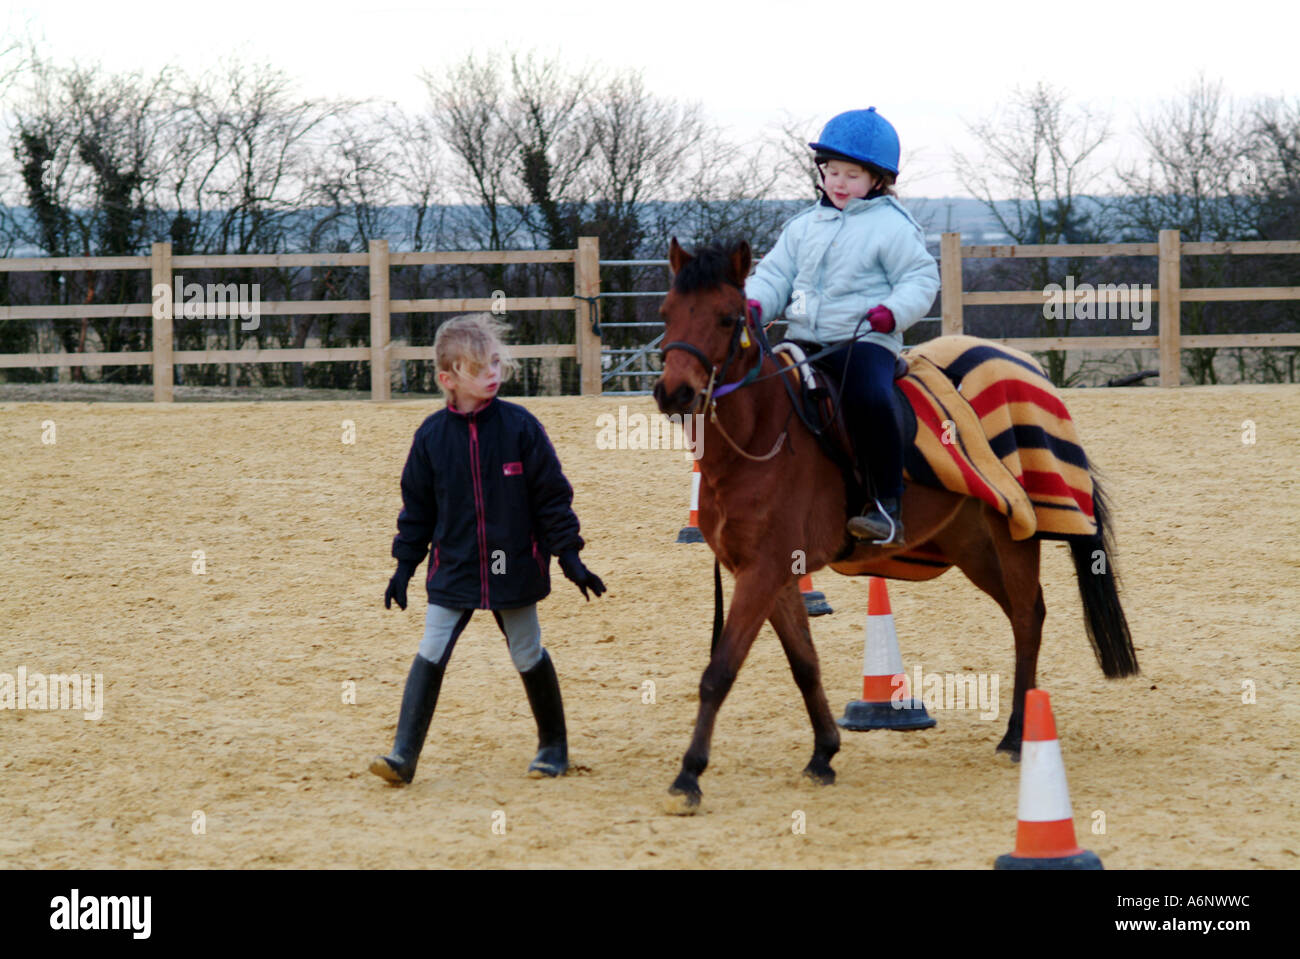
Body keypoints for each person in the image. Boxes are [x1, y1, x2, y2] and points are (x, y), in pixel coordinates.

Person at [370, 313, 605, 785]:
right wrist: (404, 567)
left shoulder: (521, 428)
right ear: (447, 379)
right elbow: (416, 509)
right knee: (431, 648)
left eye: (496, 363)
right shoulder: (431, 438)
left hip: (513, 566)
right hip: (454, 568)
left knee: (526, 649)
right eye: (478, 369)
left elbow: (552, 498)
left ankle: (553, 746)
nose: (492, 374)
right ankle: (403, 755)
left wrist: (570, 556)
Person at [744, 107, 940, 545]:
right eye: (832, 172)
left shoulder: (893, 227)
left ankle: (886, 506)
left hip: (865, 340)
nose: (838, 183)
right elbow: (775, 275)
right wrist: (755, 303)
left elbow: (920, 279)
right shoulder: (802, 227)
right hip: (801, 339)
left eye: (851, 176)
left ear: (877, 180)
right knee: (762, 391)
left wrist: (891, 313)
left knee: (869, 398)